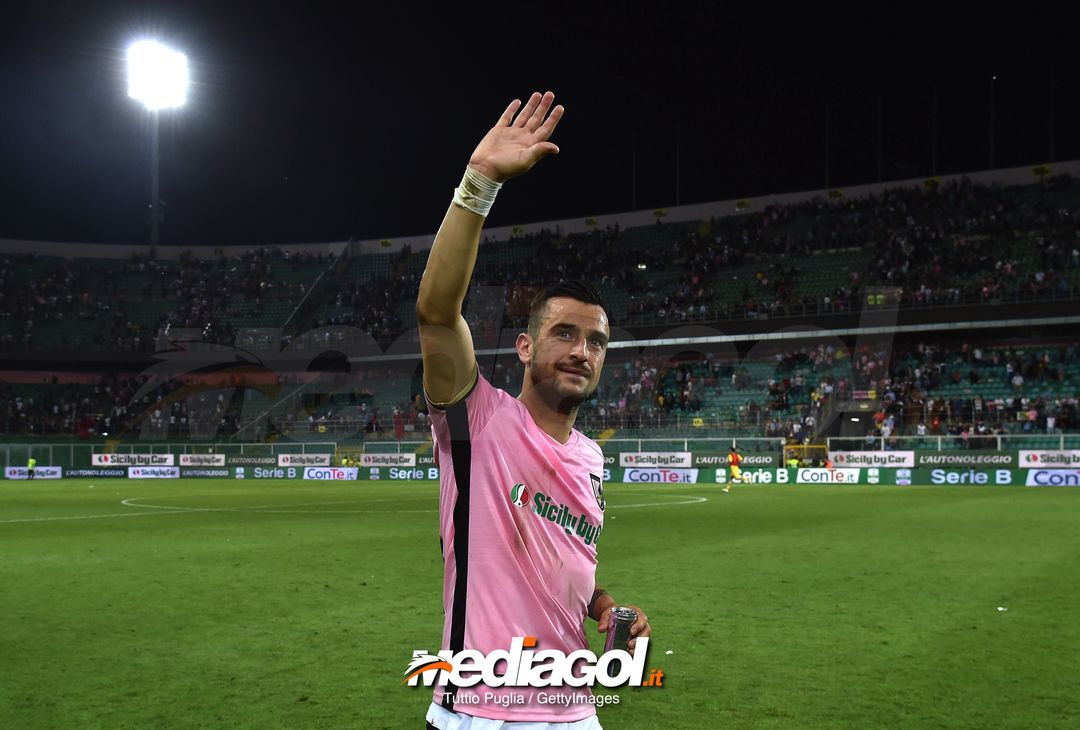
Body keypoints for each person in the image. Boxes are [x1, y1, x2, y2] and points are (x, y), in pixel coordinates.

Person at [416, 91, 651, 728]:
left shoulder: (593, 457)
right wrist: (479, 184)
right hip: (481, 712)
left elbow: (565, 567)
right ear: (524, 346)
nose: (582, 351)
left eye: (596, 342)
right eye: (565, 334)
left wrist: (606, 607)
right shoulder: (478, 420)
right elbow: (437, 315)